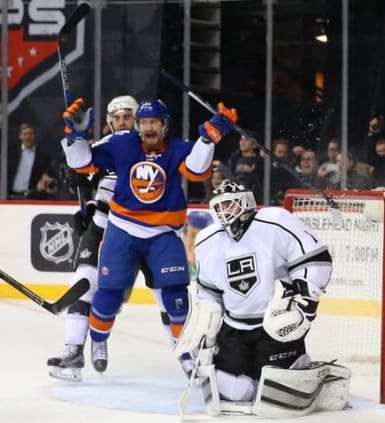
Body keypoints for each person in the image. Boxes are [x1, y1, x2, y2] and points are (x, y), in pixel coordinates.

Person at [59, 97, 237, 378]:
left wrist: (207, 139)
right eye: (143, 123)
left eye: (154, 122)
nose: (148, 128)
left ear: (164, 125)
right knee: (108, 296)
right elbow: (82, 162)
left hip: (163, 234)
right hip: (122, 230)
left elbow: (196, 170)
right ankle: (98, 342)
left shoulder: (177, 148)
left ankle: (187, 355)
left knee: (177, 299)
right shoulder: (121, 143)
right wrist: (76, 136)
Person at [179, 179, 343, 415]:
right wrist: (206, 332)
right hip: (234, 329)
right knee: (236, 394)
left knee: (277, 399)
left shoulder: (275, 222)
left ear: (246, 202)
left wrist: (304, 304)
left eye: (231, 205)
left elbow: (314, 257)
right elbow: (209, 292)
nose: (225, 212)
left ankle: (304, 369)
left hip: (275, 325)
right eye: (219, 207)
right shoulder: (207, 240)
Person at [8, 122, 55, 198]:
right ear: (20, 136)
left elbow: (48, 175)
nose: (28, 137)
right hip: (9, 197)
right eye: (25, 134)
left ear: (35, 136)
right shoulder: (11, 154)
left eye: (30, 134)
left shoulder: (42, 158)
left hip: (31, 197)